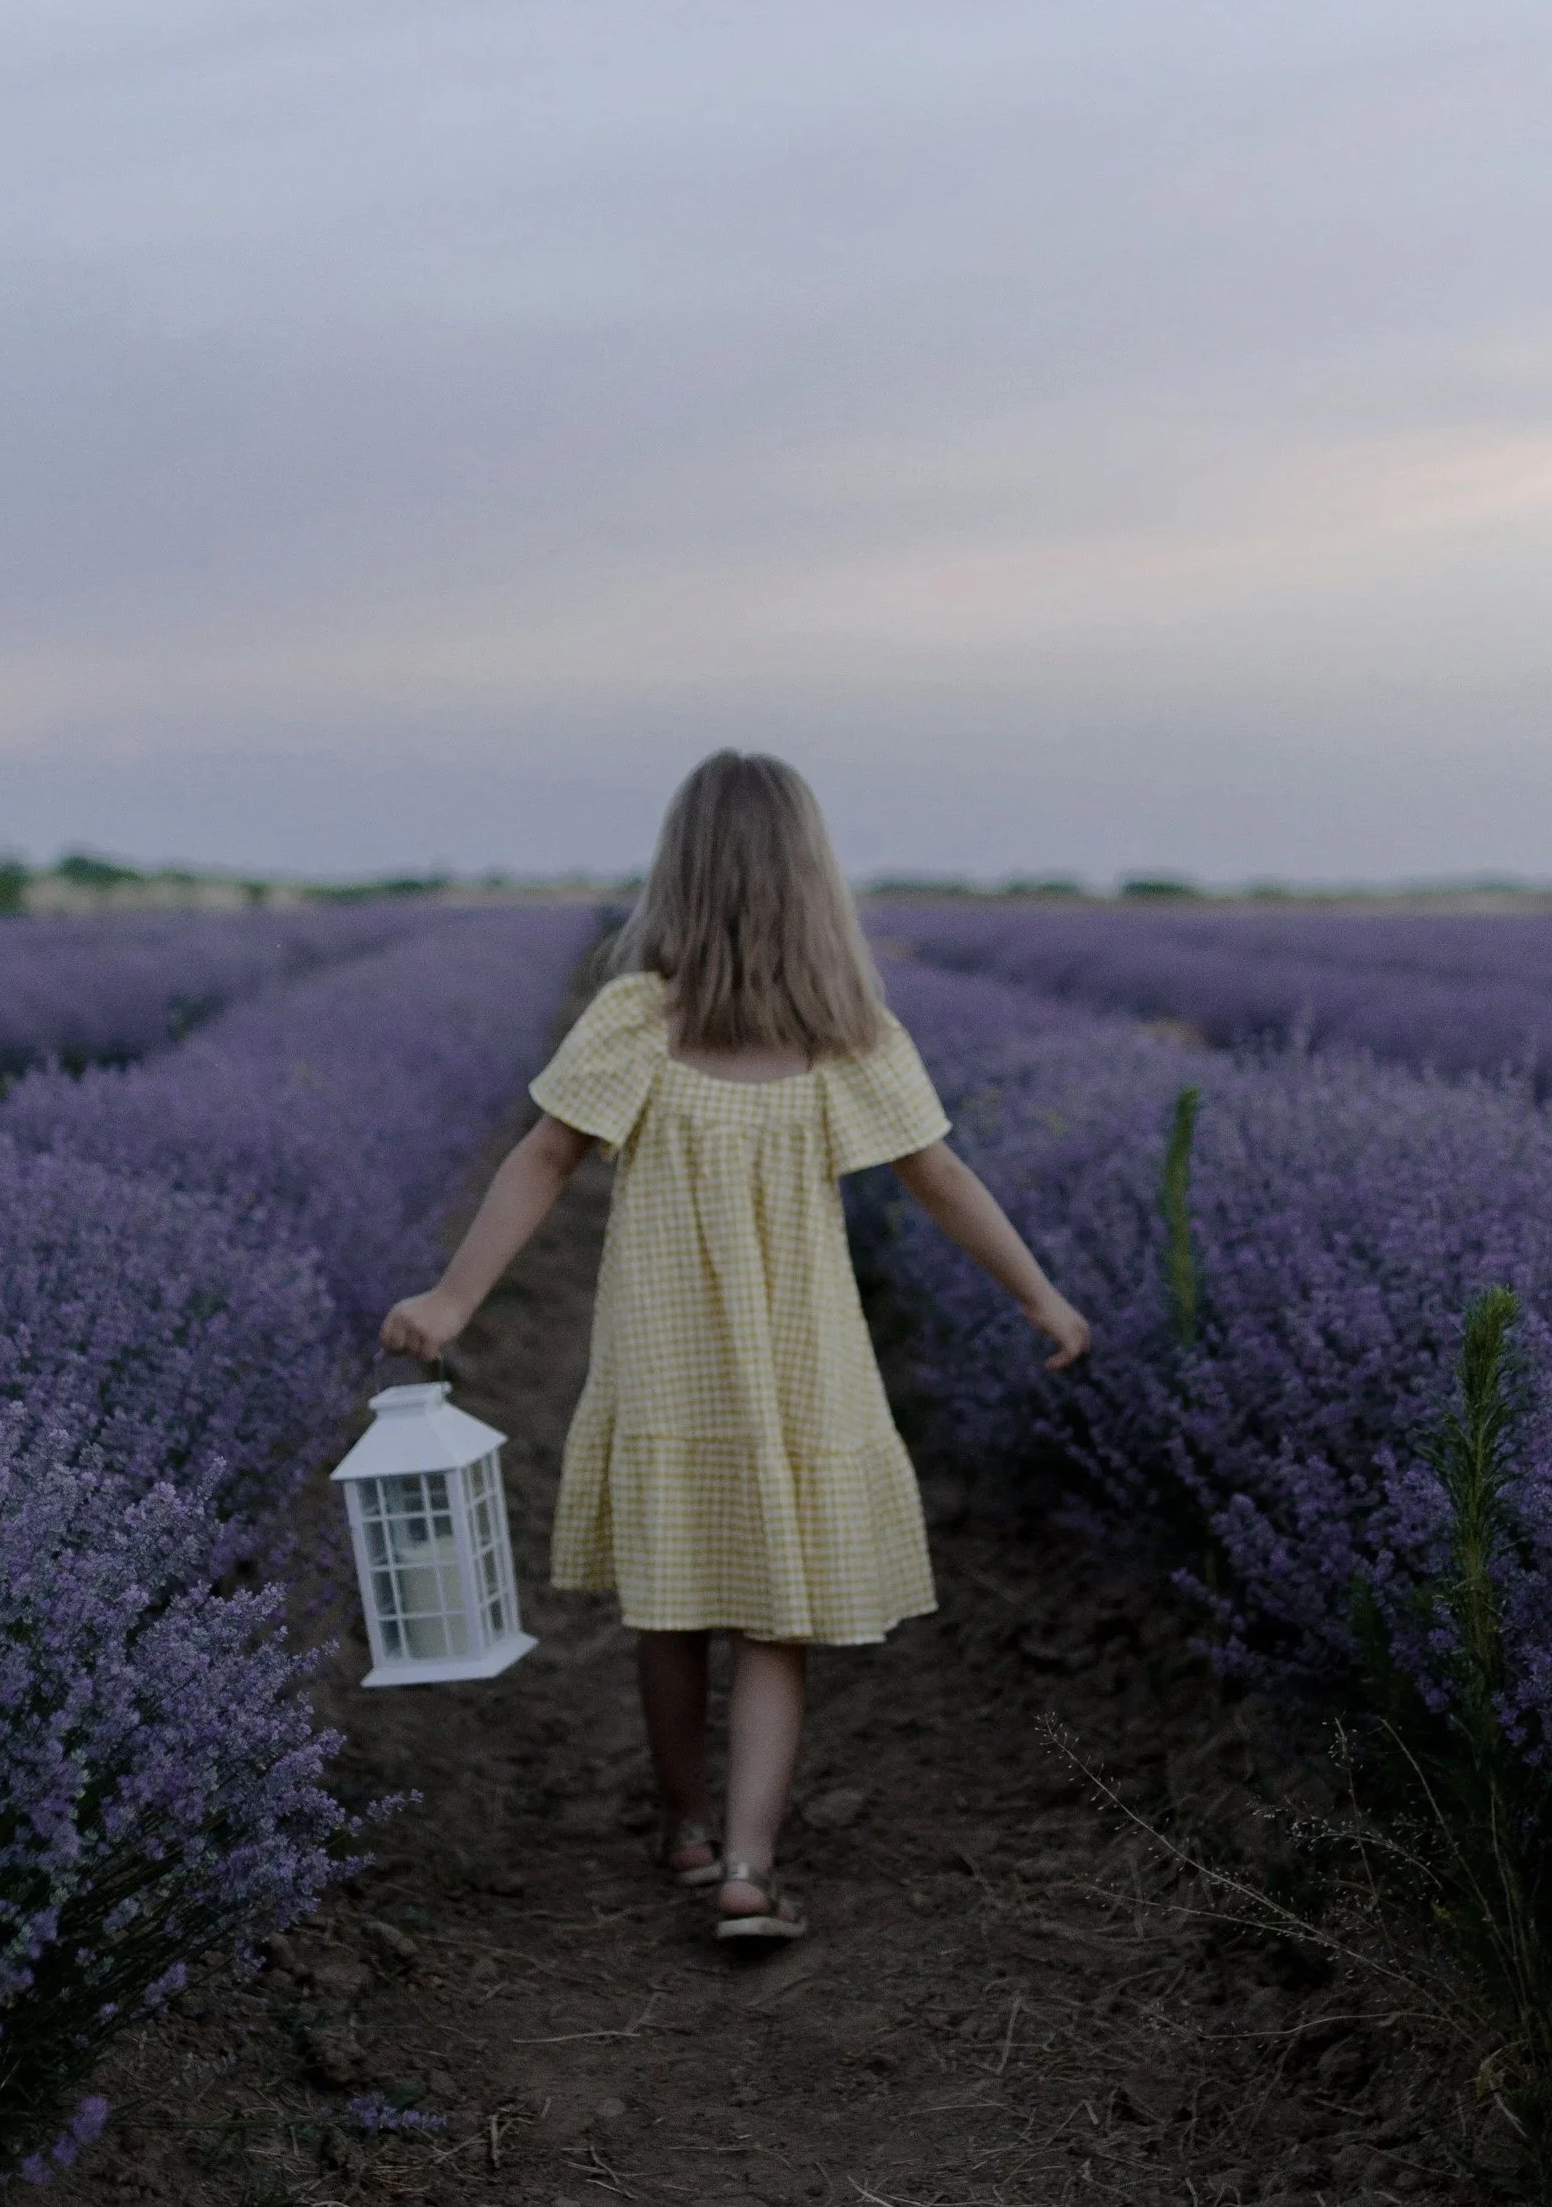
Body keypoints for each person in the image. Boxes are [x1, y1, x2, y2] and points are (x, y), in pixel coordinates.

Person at [381, 750, 1090, 1941]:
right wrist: (1038, 1295)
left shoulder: (637, 1020)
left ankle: (685, 1828)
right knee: (777, 1614)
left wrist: (456, 1298)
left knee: (671, 1607)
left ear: (680, 876)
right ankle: (750, 1867)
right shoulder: (846, 1032)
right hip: (798, 1369)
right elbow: (940, 1177)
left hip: (666, 1360)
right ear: (813, 882)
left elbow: (540, 1157)